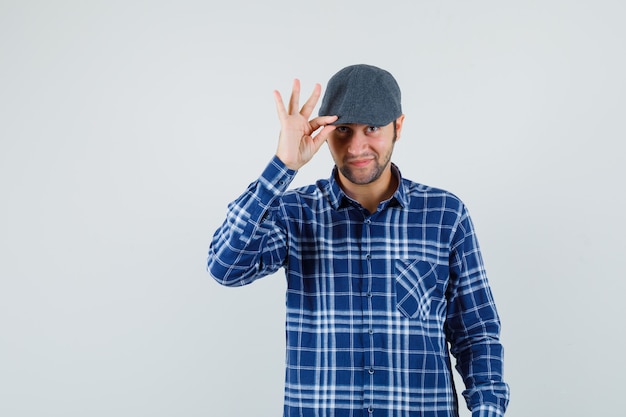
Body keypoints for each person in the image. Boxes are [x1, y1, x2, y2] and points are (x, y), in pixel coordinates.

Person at [207, 64, 510, 417]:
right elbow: (226, 268)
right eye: (344, 130)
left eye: (372, 128)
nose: (356, 146)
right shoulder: (295, 213)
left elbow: (476, 334)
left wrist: (488, 410)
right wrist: (282, 166)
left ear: (398, 126)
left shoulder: (445, 214)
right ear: (324, 132)